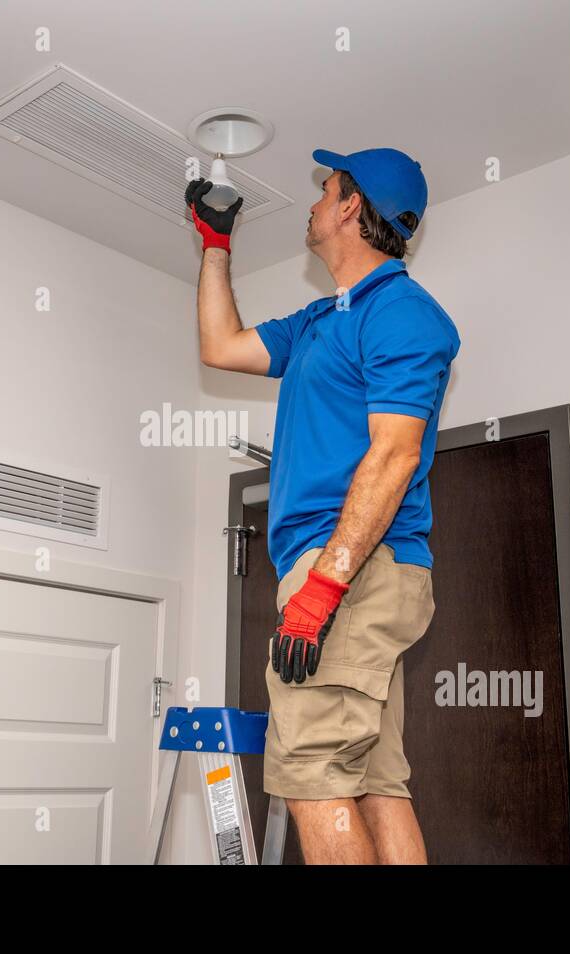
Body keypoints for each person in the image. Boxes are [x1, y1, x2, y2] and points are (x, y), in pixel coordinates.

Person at [186, 147, 460, 864]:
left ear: (350, 207)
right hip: (349, 576)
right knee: (375, 781)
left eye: (325, 188)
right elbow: (222, 347)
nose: (312, 201)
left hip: (351, 571)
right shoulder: (321, 319)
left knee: (309, 770)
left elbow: (395, 455)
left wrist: (321, 591)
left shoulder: (403, 312)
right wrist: (216, 247)